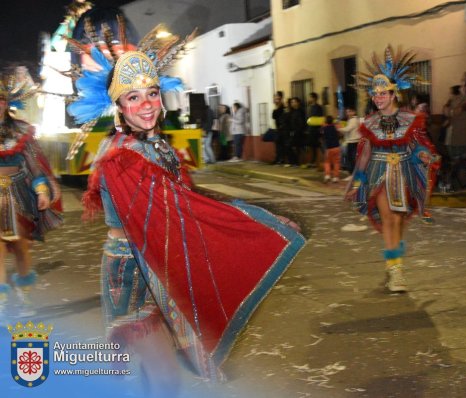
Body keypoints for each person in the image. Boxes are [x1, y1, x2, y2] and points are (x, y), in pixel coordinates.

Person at [66, 23, 305, 392]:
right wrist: (256, 223)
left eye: (152, 93)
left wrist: (260, 220)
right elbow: (184, 210)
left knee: (158, 374)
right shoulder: (120, 158)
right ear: (117, 106)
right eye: (133, 97)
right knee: (164, 376)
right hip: (133, 273)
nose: (146, 104)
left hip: (162, 261)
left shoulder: (159, 145)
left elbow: (189, 203)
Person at [347, 46, 439, 293]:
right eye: (374, 93)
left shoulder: (411, 120)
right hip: (379, 174)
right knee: (388, 217)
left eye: (383, 93)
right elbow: (365, 152)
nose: (378, 97)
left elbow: (420, 144)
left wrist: (424, 155)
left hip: (404, 174)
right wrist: (358, 179)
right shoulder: (371, 122)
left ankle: (393, 262)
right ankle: (396, 270)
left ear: (393, 93)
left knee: (398, 220)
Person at [0, 67, 62, 320]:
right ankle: (2, 303)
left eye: (0, 100)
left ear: (7, 103)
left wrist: (41, 191)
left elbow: (35, 166)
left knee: (22, 248)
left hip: (18, 197)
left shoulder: (22, 131)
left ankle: (24, 295)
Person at [337, 106, 360, 176]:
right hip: (352, 141)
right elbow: (347, 131)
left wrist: (339, 128)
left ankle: (352, 173)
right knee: (350, 157)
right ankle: (352, 173)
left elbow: (348, 129)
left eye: (350, 111)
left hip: (353, 141)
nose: (348, 113)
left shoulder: (353, 120)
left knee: (351, 158)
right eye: (347, 112)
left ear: (354, 112)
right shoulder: (352, 120)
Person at [320, 115, 341, 183]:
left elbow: (321, 134)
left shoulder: (324, 128)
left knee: (327, 162)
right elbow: (339, 134)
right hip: (337, 147)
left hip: (329, 148)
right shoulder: (335, 127)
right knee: (336, 163)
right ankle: (335, 177)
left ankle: (327, 176)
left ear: (326, 121)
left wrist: (322, 125)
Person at [305, 92, 324, 167]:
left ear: (314, 98)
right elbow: (307, 118)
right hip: (310, 129)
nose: (309, 99)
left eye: (310, 97)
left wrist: (320, 129)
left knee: (317, 146)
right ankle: (312, 161)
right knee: (311, 146)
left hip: (316, 129)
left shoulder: (318, 107)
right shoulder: (309, 107)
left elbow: (320, 118)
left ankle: (317, 162)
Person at [272, 91, 287, 164]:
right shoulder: (277, 106)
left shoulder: (283, 106)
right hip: (278, 128)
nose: (275, 98)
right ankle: (278, 159)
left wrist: (277, 107)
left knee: (280, 144)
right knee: (278, 144)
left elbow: (281, 116)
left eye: (277, 96)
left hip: (282, 128)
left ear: (280, 97)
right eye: (275, 96)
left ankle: (280, 159)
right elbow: (274, 116)